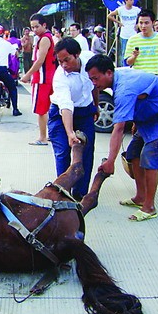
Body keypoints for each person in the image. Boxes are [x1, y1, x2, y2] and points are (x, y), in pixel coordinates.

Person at [85, 54, 158, 222]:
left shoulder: (124, 89)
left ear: (109, 73)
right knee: (133, 154)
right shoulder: (119, 79)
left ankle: (149, 207)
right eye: (91, 79)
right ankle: (140, 197)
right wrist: (136, 122)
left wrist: (110, 161)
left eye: (96, 78)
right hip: (149, 119)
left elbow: (118, 129)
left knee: (149, 159)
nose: (94, 83)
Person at [49, 38, 99, 200]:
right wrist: (70, 132)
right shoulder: (60, 77)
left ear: (77, 55)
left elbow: (95, 85)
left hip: (85, 112)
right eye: (60, 61)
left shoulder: (90, 61)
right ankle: (62, 192)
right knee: (63, 151)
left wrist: (95, 106)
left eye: (67, 60)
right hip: (61, 114)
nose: (63, 65)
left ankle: (80, 193)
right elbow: (66, 105)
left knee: (86, 152)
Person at [21, 13, 56, 146]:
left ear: (44, 25)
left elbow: (40, 60)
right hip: (46, 77)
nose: (34, 30)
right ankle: (48, 135)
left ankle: (42, 137)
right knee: (48, 109)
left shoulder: (44, 39)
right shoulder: (43, 38)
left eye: (36, 27)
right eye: (32, 27)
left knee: (41, 110)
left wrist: (28, 75)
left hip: (42, 79)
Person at [124, 9, 158, 78]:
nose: (143, 26)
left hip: (155, 76)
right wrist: (134, 56)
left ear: (153, 23)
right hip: (138, 77)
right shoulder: (132, 39)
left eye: (146, 23)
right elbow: (128, 62)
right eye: (141, 23)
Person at [107, 0, 141, 66]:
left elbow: (143, 16)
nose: (132, 1)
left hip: (133, 34)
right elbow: (109, 16)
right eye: (130, 0)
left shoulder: (136, 10)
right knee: (124, 53)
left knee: (134, 52)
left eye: (133, 0)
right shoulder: (121, 9)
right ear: (126, 0)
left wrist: (138, 24)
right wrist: (119, 22)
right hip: (124, 34)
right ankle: (125, 67)